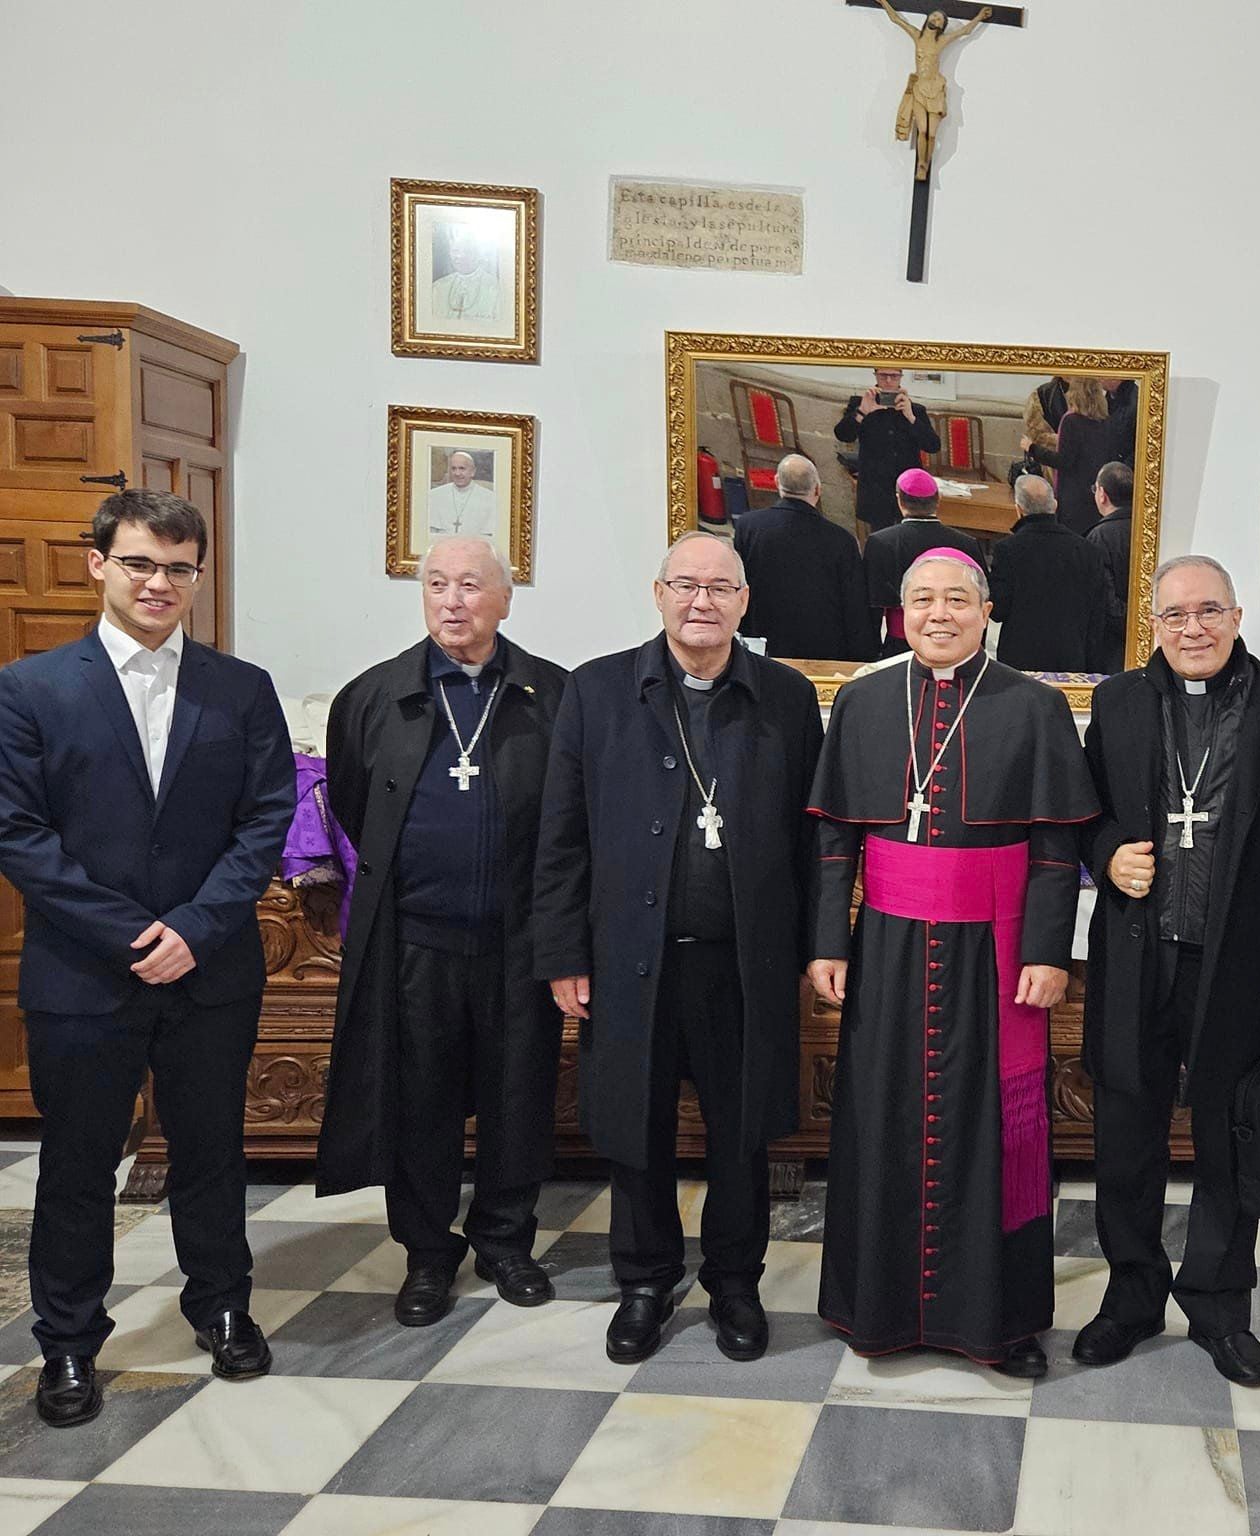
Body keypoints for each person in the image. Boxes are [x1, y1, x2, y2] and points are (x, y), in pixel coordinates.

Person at [0, 489, 295, 1427]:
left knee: (211, 1151)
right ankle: (70, 1343)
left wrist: (194, 930)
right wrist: (131, 937)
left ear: (197, 577)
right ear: (100, 565)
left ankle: (220, 1304)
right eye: (140, 563)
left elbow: (265, 821)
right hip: (83, 975)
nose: (159, 583)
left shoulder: (241, 688)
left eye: (178, 568)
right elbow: (18, 832)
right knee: (79, 1162)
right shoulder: (31, 688)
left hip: (209, 970)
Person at [807, 548, 1097, 1378]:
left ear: (986, 609)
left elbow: (1054, 847)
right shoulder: (862, 700)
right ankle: (878, 1309)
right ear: (900, 614)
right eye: (924, 600)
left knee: (993, 1128)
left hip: (995, 950)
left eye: (958, 600)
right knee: (883, 1115)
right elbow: (832, 841)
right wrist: (830, 940)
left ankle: (995, 1322)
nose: (940, 614)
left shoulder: (1035, 706)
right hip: (889, 947)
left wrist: (1048, 951)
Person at [534, 533, 823, 1365]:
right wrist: (562, 953)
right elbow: (561, 836)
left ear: (744, 601)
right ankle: (646, 1281)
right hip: (631, 958)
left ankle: (735, 1281)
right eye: (686, 585)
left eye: (720, 588)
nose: (703, 601)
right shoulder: (597, 691)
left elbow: (812, 842)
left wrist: (811, 950)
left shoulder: (786, 698)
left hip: (746, 963)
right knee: (635, 1129)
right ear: (657, 592)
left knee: (742, 1135)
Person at [1076, 555, 1260, 1385]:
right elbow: (1087, 816)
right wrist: (1110, 854)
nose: (1192, 629)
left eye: (1208, 612)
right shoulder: (1116, 704)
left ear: (1237, 615)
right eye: (1174, 615)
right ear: (1152, 624)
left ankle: (1220, 1306)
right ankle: (1130, 1297)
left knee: (1230, 1139)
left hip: (1243, 970)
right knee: (1125, 1136)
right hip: (1137, 959)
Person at [318, 537, 568, 1325]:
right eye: (436, 585)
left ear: (505, 599)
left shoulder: (552, 695)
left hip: (519, 943)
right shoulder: (371, 697)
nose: (451, 601)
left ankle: (504, 1239)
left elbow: (570, 823)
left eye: (470, 585)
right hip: (416, 942)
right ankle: (428, 1252)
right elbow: (358, 810)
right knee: (417, 1100)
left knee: (516, 1095)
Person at [733, 454, 875, 662]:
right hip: (823, 650)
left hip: (763, 646)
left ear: (777, 483)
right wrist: (862, 657)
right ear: (818, 490)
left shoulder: (748, 526)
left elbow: (739, 585)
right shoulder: (841, 540)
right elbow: (854, 604)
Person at [988, 475, 1112, 674]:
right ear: (1054, 506)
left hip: (1020, 661)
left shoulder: (1008, 550)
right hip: (1071, 658)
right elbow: (1097, 616)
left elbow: (997, 609)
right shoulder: (1087, 550)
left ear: (1018, 509)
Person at [864, 467, 984, 658]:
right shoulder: (966, 543)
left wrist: (870, 654)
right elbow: (978, 601)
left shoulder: (881, 542)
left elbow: (872, 605)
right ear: (938, 500)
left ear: (899, 500)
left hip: (899, 645)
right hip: (953, 640)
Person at [874, 1, 993, 179]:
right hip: (920, 88)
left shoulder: (941, 41)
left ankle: (926, 164)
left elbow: (964, 32)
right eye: (935, 16)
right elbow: (896, 19)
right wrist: (884, 2)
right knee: (922, 129)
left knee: (931, 134)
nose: (936, 19)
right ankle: (921, 165)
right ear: (928, 18)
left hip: (935, 89)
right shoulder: (917, 36)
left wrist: (979, 17)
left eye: (940, 20)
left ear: (941, 26)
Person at [834, 368, 940, 533]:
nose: (889, 381)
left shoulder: (915, 410)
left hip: (908, 489)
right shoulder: (861, 403)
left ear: (900, 378)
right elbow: (843, 435)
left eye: (894, 376)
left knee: (910, 538)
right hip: (876, 488)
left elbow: (933, 446)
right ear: (875, 376)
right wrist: (862, 412)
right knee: (880, 539)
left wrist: (911, 417)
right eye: (883, 375)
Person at [1036, 377, 1118, 535]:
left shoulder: (1071, 421)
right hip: (1095, 493)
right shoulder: (1106, 422)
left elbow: (1064, 461)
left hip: (1073, 497)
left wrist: (1033, 449)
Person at [1085, 462, 1135, 673]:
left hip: (1111, 643)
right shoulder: (1148, 525)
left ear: (1102, 494)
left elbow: (1105, 598)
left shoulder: (1100, 536)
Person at [428, 225, 500, 323]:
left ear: (478, 254)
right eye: (455, 251)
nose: (460, 256)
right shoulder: (438, 287)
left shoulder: (495, 288)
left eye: (467, 251)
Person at [424, 451, 498, 539]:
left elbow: (488, 537)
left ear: (473, 471)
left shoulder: (489, 498)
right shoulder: (434, 495)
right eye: (453, 468)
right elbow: (430, 534)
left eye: (462, 468)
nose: (457, 473)